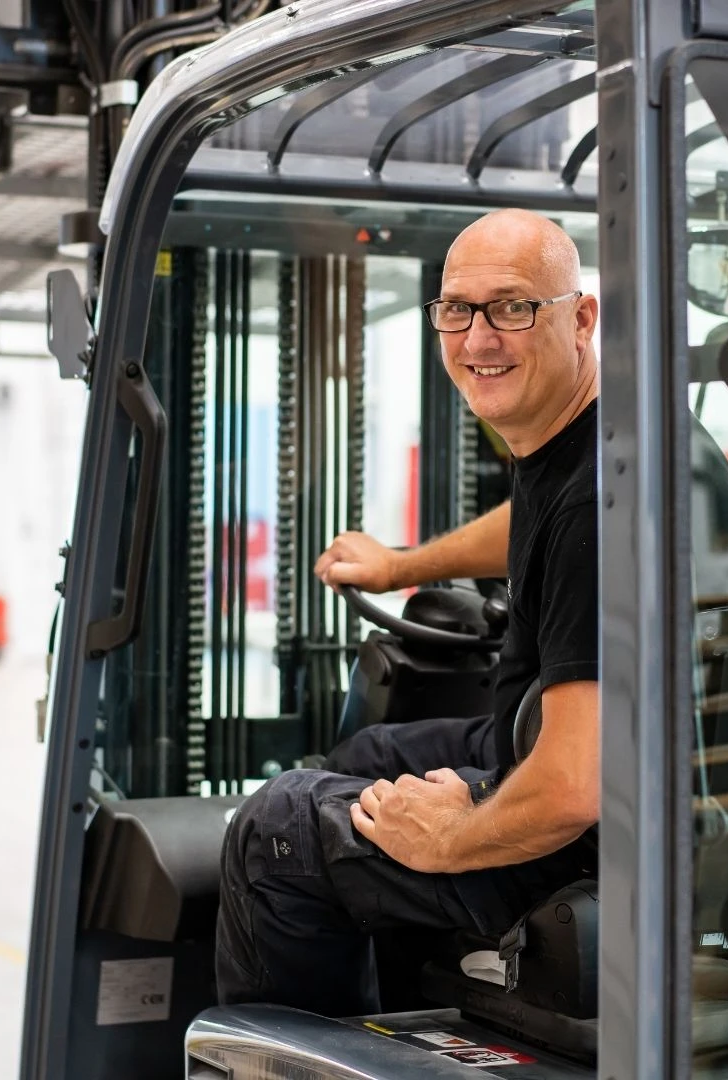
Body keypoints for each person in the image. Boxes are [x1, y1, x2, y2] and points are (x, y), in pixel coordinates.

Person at [215, 208, 601, 1017]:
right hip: (550, 755)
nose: (478, 339)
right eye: (457, 310)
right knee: (367, 753)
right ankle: (397, 1010)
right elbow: (526, 525)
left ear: (582, 317)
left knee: (278, 829)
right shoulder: (598, 443)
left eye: (513, 307)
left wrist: (452, 836)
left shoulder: (602, 505)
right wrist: (402, 565)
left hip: (594, 843)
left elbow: (571, 790)